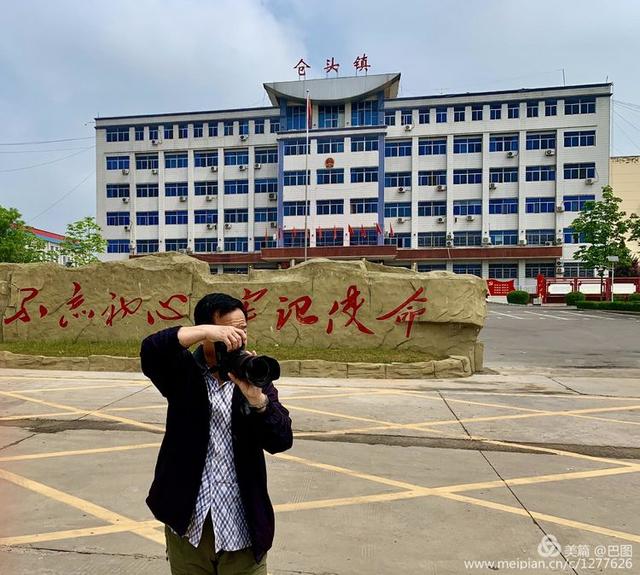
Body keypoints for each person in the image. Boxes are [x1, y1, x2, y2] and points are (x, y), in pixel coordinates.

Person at [140, 292, 293, 574]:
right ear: (206, 333)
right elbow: (151, 350)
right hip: (190, 525)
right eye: (228, 332)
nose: (238, 339)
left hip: (242, 527)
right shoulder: (183, 373)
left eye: (243, 330)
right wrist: (203, 332)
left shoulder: (254, 376)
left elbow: (281, 440)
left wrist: (258, 401)